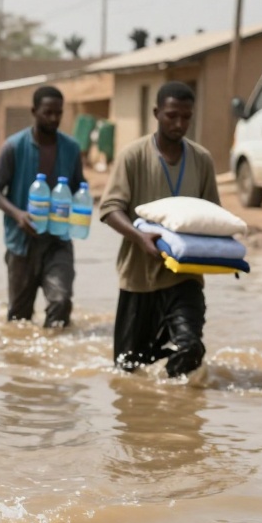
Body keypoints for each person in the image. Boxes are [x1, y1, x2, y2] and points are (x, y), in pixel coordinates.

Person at [98, 82, 218, 377]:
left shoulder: (201, 159)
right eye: (172, 115)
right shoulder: (133, 156)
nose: (179, 124)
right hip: (139, 278)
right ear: (157, 113)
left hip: (185, 276)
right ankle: (150, 414)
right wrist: (139, 237)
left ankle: (176, 408)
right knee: (129, 368)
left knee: (190, 349)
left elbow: (212, 215)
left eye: (186, 117)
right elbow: (109, 208)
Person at [0, 86, 84, 327]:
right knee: (19, 318)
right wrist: (18, 214)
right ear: (34, 111)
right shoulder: (14, 146)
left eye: (58, 113)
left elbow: (79, 188)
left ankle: (54, 359)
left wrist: (81, 209)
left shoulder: (71, 149)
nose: (54, 119)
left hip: (58, 241)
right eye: (48, 112)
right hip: (22, 242)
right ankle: (22, 362)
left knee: (60, 303)